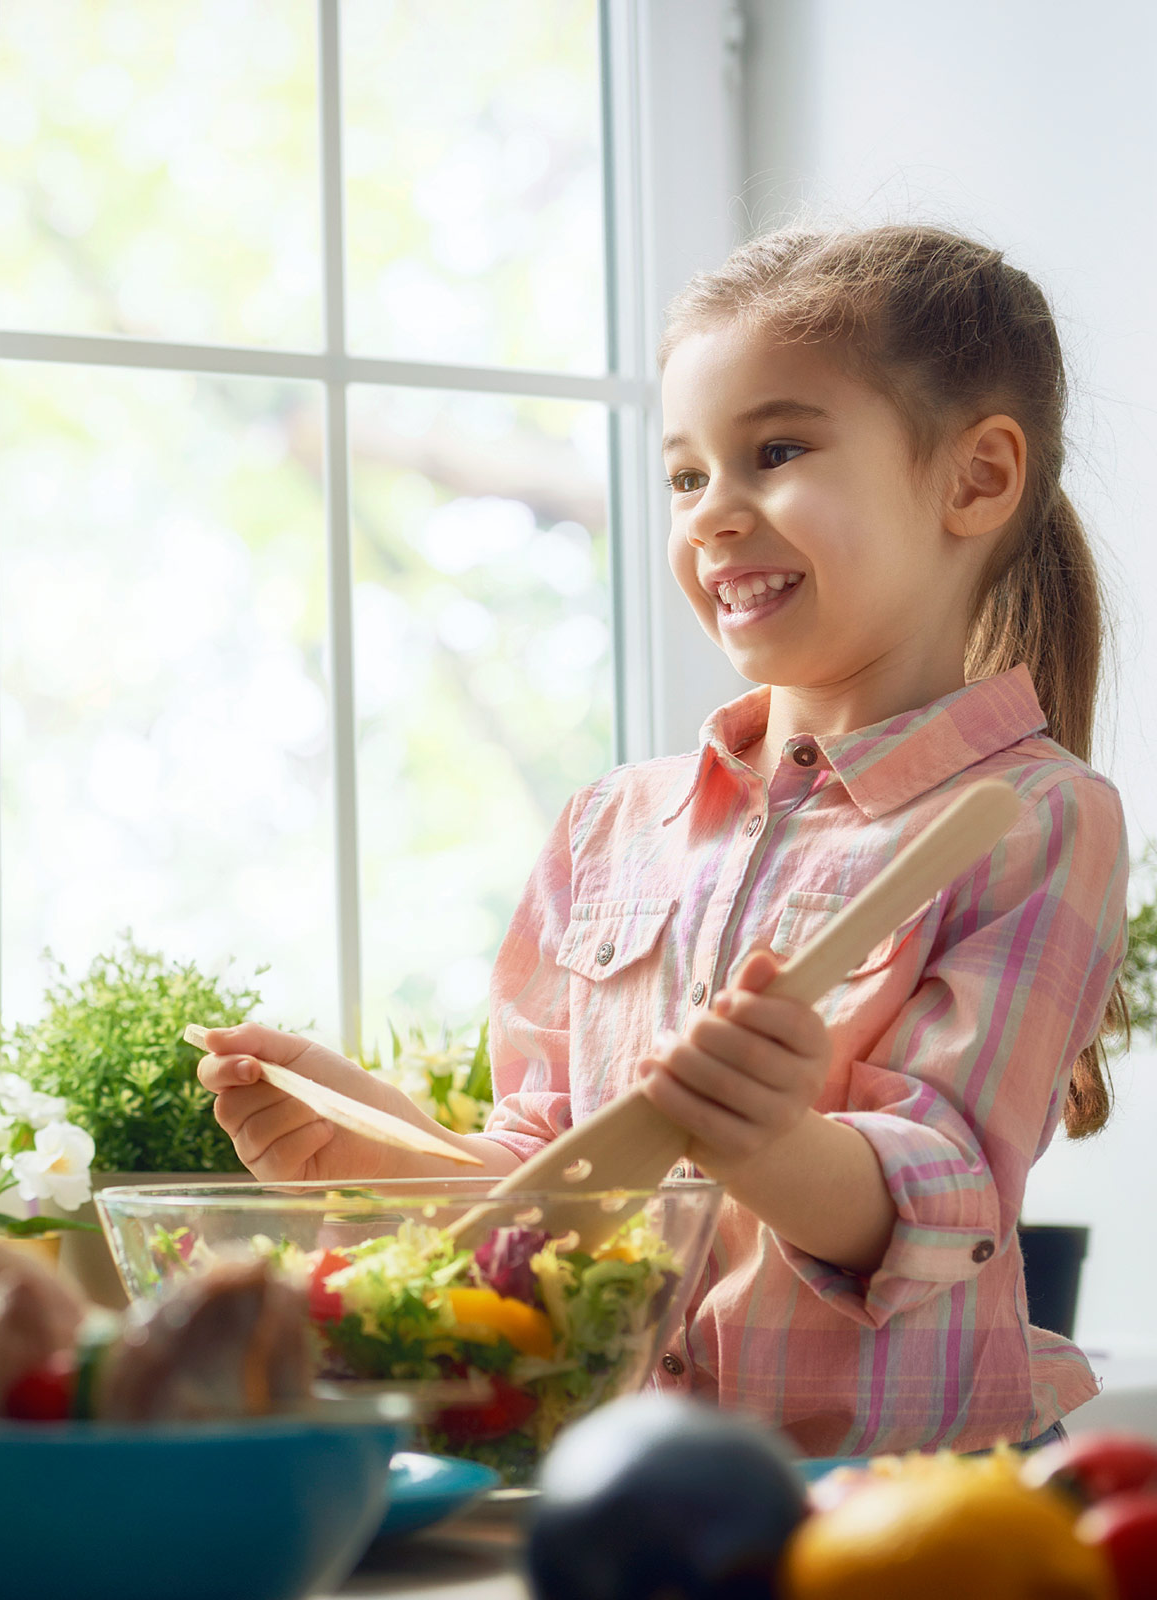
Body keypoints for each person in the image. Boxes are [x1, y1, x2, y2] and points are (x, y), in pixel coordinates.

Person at [199, 225, 1127, 1457]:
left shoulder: (1037, 816)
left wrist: (773, 1145)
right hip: (613, 1479)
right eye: (687, 476)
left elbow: (945, 1192)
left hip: (890, 1510)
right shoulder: (611, 825)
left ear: (977, 478)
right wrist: (379, 1151)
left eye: (777, 452)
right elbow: (560, 1186)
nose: (712, 515)